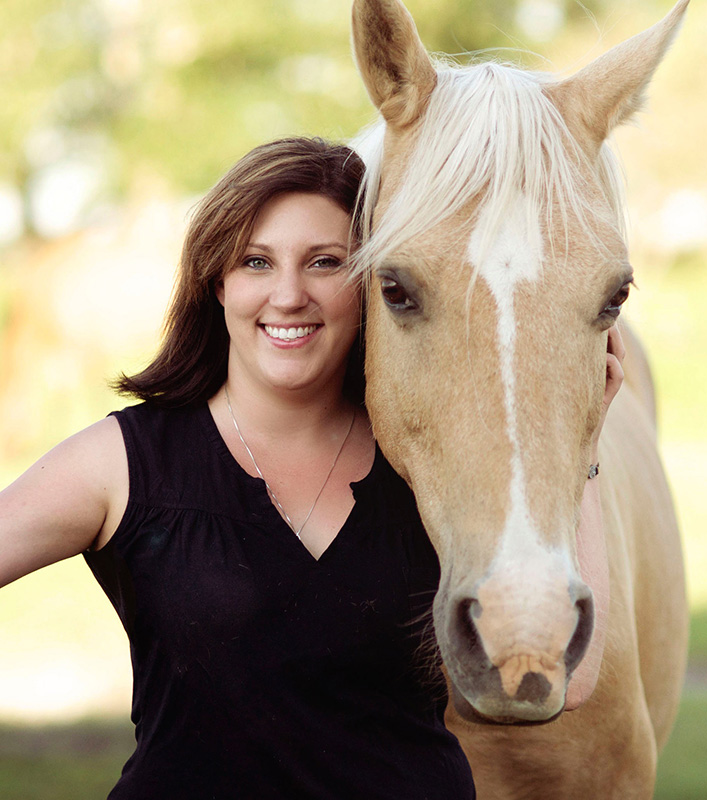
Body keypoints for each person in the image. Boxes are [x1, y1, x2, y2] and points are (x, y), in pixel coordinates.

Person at [0, 136, 624, 799]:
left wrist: (582, 444)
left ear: (372, 284)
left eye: (325, 262)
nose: (289, 294)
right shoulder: (124, 463)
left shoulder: (423, 466)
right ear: (218, 281)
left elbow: (568, 678)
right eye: (256, 262)